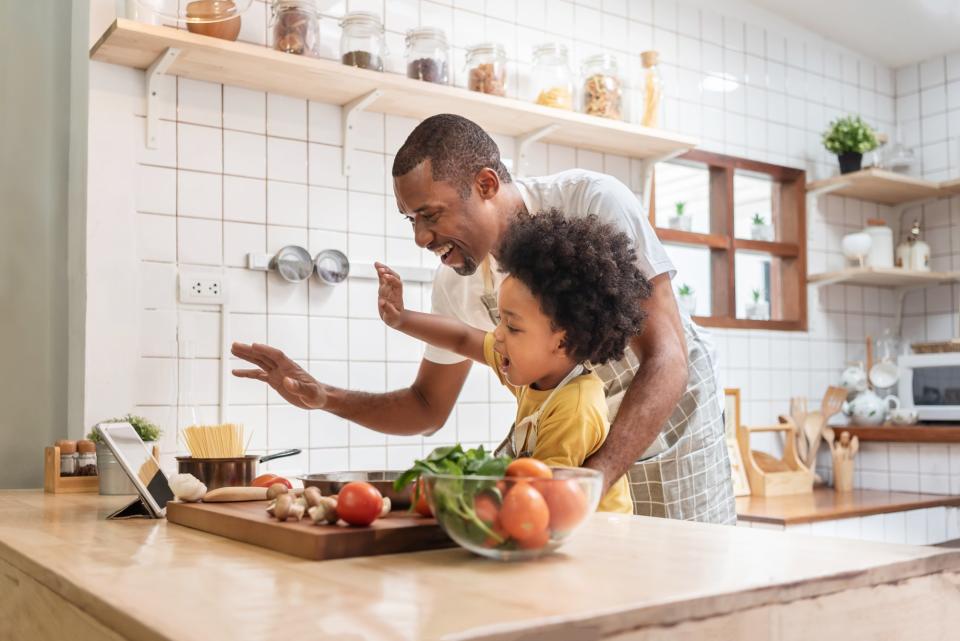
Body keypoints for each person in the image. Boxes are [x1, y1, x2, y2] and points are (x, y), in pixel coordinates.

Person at [232, 114, 735, 524]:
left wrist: (597, 477)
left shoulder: (591, 202)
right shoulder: (456, 280)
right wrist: (323, 397)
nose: (421, 239)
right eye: (411, 221)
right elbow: (428, 405)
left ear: (486, 183)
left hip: (669, 429)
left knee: (683, 590)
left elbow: (667, 356)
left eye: (430, 215)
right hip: (573, 454)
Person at [376, 210, 651, 513]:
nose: (498, 334)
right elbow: (462, 339)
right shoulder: (537, 370)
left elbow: (541, 498)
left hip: (597, 540)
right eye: (501, 320)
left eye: (513, 326)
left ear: (561, 342)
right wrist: (402, 319)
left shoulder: (575, 407)